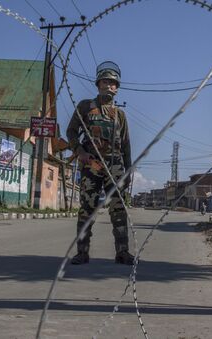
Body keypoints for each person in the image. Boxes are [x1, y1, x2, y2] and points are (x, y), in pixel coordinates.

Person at [66, 61, 134, 265]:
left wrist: (128, 171)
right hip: (92, 164)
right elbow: (71, 131)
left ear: (117, 88)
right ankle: (82, 252)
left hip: (115, 165)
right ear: (98, 84)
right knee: (87, 208)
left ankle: (122, 252)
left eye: (113, 83)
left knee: (118, 209)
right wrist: (79, 151)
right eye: (106, 82)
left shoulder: (120, 115)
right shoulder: (86, 106)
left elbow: (126, 144)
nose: (109, 86)